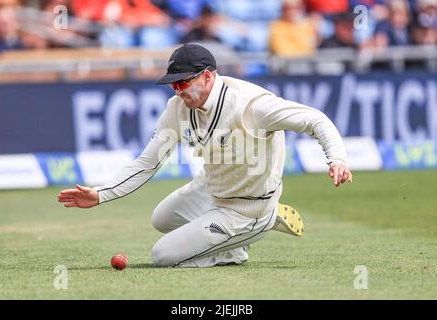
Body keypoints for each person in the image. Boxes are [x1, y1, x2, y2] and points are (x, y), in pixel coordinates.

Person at [57, 43, 353, 268]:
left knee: (162, 256)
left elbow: (315, 120)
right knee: (161, 218)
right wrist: (100, 195)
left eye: (183, 82)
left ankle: (258, 226)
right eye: (173, 84)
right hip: (212, 189)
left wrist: (336, 159)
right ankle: (233, 246)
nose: (177, 90)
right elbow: (147, 164)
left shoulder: (252, 105)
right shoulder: (178, 108)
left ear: (208, 77)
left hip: (248, 208)